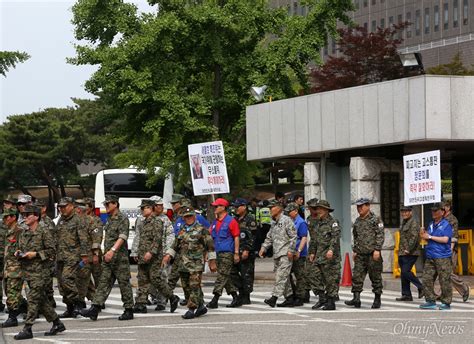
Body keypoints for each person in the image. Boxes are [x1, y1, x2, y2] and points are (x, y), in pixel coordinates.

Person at [13, 205, 65, 340]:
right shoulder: (25, 232)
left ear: (36, 216)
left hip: (41, 272)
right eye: (24, 214)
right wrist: (19, 253)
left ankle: (27, 328)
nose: (25, 217)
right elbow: (20, 248)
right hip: (28, 271)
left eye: (28, 214)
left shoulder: (44, 231)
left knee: (32, 299)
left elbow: (52, 251)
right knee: (41, 300)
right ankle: (57, 323)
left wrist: (35, 254)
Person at [81, 195, 135, 321]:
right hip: (108, 259)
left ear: (115, 204)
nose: (106, 207)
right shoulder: (110, 219)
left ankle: (129, 309)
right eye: (105, 204)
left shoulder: (122, 218)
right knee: (103, 283)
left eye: (108, 204)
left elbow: (122, 237)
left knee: (124, 284)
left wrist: (112, 250)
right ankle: (95, 308)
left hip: (119, 258)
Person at [162, 206, 217, 319]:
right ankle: (201, 306)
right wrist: (168, 255)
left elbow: (210, 246)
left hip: (196, 264)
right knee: (186, 287)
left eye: (190, 216)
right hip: (183, 264)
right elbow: (175, 245)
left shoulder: (202, 230)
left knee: (194, 286)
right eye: (186, 217)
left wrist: (212, 262)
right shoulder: (182, 229)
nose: (188, 218)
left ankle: (191, 309)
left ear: (194, 216)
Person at [132, 199, 179, 314]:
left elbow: (157, 239)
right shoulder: (143, 222)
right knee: (142, 279)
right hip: (143, 255)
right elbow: (140, 238)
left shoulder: (157, 222)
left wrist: (151, 252)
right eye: (141, 208)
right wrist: (136, 252)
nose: (142, 210)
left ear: (151, 208)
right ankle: (140, 303)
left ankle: (172, 297)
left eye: (144, 208)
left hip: (154, 257)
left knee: (156, 279)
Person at [345, 198, 384, 309]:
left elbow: (380, 235)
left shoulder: (376, 219)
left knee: (375, 277)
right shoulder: (357, 221)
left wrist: (377, 249)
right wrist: (355, 251)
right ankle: (356, 299)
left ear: (368, 206)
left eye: (361, 206)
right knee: (357, 276)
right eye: (358, 207)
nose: (359, 209)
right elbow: (356, 237)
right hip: (360, 254)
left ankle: (377, 299)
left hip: (372, 254)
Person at [259, 201, 297, 307]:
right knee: (284, 277)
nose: (270, 209)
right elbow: (269, 237)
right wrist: (263, 248)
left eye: (272, 207)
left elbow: (293, 236)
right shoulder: (274, 222)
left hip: (285, 253)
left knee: (281, 276)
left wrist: (291, 250)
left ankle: (274, 298)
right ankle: (289, 298)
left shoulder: (287, 220)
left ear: (279, 208)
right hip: (277, 253)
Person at [56, 197, 89, 318]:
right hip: (60, 255)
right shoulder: (61, 220)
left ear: (72, 206)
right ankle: (69, 308)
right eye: (60, 207)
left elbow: (84, 239)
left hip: (73, 256)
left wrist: (84, 255)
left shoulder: (78, 220)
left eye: (64, 206)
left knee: (67, 279)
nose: (62, 209)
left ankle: (78, 303)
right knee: (61, 284)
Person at [206, 198, 242, 309]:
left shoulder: (231, 221)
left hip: (227, 253)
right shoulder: (214, 223)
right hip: (217, 252)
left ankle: (215, 299)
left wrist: (236, 253)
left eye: (216, 206)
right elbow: (210, 238)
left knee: (222, 275)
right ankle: (236, 297)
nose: (214, 209)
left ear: (223, 207)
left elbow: (236, 237)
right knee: (225, 276)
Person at [308, 200, 341, 311]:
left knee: (330, 279)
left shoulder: (333, 222)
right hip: (319, 255)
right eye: (317, 209)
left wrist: (331, 250)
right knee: (312, 275)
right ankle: (322, 298)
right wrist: (312, 252)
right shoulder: (317, 223)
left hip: (330, 257)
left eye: (320, 209)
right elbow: (313, 239)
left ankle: (331, 302)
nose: (318, 211)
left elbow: (335, 238)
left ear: (326, 210)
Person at [419, 203, 453, 310]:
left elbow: (445, 239)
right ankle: (430, 300)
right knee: (426, 278)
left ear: (442, 212)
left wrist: (429, 236)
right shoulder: (430, 224)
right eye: (432, 211)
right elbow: (426, 238)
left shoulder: (446, 224)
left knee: (444, 280)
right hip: (430, 256)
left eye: (436, 211)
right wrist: (423, 234)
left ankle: (446, 302)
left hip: (442, 256)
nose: (433, 213)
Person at [278, 202, 307, 307]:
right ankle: (291, 295)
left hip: (298, 253)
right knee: (287, 275)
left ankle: (300, 297)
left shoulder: (301, 222)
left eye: (290, 212)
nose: (288, 214)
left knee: (300, 276)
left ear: (295, 211)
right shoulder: (289, 221)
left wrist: (299, 250)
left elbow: (304, 237)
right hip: (288, 253)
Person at [1, 208, 27, 328]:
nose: (5, 219)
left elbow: (24, 249)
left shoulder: (19, 231)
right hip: (8, 267)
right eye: (4, 217)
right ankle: (25, 307)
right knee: (9, 291)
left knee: (12, 293)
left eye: (7, 217)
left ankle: (12, 318)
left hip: (16, 268)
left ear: (13, 217)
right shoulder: (8, 231)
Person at [230, 198, 257, 305]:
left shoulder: (250, 219)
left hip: (246, 252)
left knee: (247, 274)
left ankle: (246, 296)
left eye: (238, 206)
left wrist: (247, 250)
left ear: (244, 207)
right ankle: (240, 291)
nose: (235, 209)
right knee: (233, 273)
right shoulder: (234, 219)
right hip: (236, 250)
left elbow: (253, 237)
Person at [443, 200, 470, 302]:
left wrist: (449, 251)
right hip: (440, 249)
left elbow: (453, 237)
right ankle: (440, 294)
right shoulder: (442, 219)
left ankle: (463, 288)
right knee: (441, 272)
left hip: (449, 249)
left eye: (444, 207)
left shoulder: (452, 219)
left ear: (448, 208)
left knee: (447, 272)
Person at [396, 206, 423, 302]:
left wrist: (409, 249)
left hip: (411, 252)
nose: (404, 214)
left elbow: (414, 237)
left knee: (405, 271)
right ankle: (406, 294)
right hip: (402, 252)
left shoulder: (414, 222)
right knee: (403, 274)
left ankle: (421, 287)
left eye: (406, 212)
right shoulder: (404, 222)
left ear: (410, 212)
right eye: (402, 212)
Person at [34, 199, 57, 308]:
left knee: (47, 281)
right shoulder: (35, 221)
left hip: (46, 256)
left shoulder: (48, 222)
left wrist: (51, 256)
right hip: (37, 255)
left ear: (44, 208)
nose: (38, 208)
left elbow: (52, 241)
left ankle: (50, 301)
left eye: (40, 206)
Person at [84, 198, 104, 304]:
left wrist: (96, 254)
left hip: (94, 254)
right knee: (84, 277)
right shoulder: (81, 220)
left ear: (91, 207)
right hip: (84, 255)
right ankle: (93, 297)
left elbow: (97, 238)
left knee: (98, 277)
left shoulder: (96, 220)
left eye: (85, 206)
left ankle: (100, 300)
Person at [304, 198, 319, 303]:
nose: (312, 211)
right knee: (307, 270)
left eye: (313, 208)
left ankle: (331, 293)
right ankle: (306, 293)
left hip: (323, 247)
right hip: (313, 246)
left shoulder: (322, 218)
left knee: (325, 271)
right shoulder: (309, 219)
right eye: (310, 208)